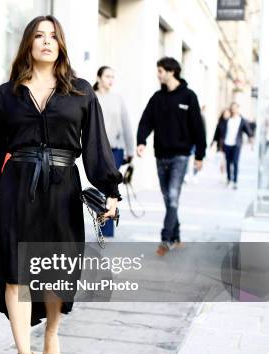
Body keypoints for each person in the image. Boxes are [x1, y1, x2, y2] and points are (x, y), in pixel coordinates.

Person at [0, 16, 122, 354]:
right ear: (27, 43)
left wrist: (111, 191)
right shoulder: (7, 94)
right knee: (15, 275)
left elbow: (97, 147)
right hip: (16, 187)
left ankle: (52, 331)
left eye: (53, 36)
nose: (46, 41)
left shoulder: (81, 92)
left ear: (61, 44)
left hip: (62, 188)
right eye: (38, 35)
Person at [137, 57, 206, 256]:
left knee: (173, 196)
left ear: (171, 71)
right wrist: (141, 141)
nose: (157, 74)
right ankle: (176, 236)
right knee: (168, 198)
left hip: (181, 156)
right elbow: (145, 121)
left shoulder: (189, 96)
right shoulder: (157, 98)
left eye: (160, 71)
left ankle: (165, 239)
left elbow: (197, 128)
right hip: (161, 155)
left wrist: (199, 155)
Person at [93, 66, 134, 237]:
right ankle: (103, 226)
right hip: (96, 150)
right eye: (107, 76)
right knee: (100, 189)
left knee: (111, 188)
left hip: (116, 149)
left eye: (112, 77)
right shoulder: (91, 97)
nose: (110, 80)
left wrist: (130, 150)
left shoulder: (118, 98)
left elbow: (126, 124)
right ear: (99, 77)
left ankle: (107, 230)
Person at [213, 102, 254, 189]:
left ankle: (235, 181)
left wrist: (251, 142)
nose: (233, 110)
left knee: (235, 162)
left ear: (238, 109)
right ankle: (229, 179)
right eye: (232, 108)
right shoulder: (228, 120)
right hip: (227, 144)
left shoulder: (242, 121)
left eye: (235, 108)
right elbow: (219, 131)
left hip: (236, 145)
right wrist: (215, 142)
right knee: (228, 162)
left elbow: (248, 132)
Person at [212, 108, 231, 176]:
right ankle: (223, 173)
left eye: (227, 114)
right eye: (225, 114)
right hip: (221, 144)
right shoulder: (220, 123)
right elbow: (216, 133)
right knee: (222, 160)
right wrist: (213, 142)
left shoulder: (231, 122)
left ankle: (227, 173)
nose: (226, 115)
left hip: (229, 144)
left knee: (228, 160)